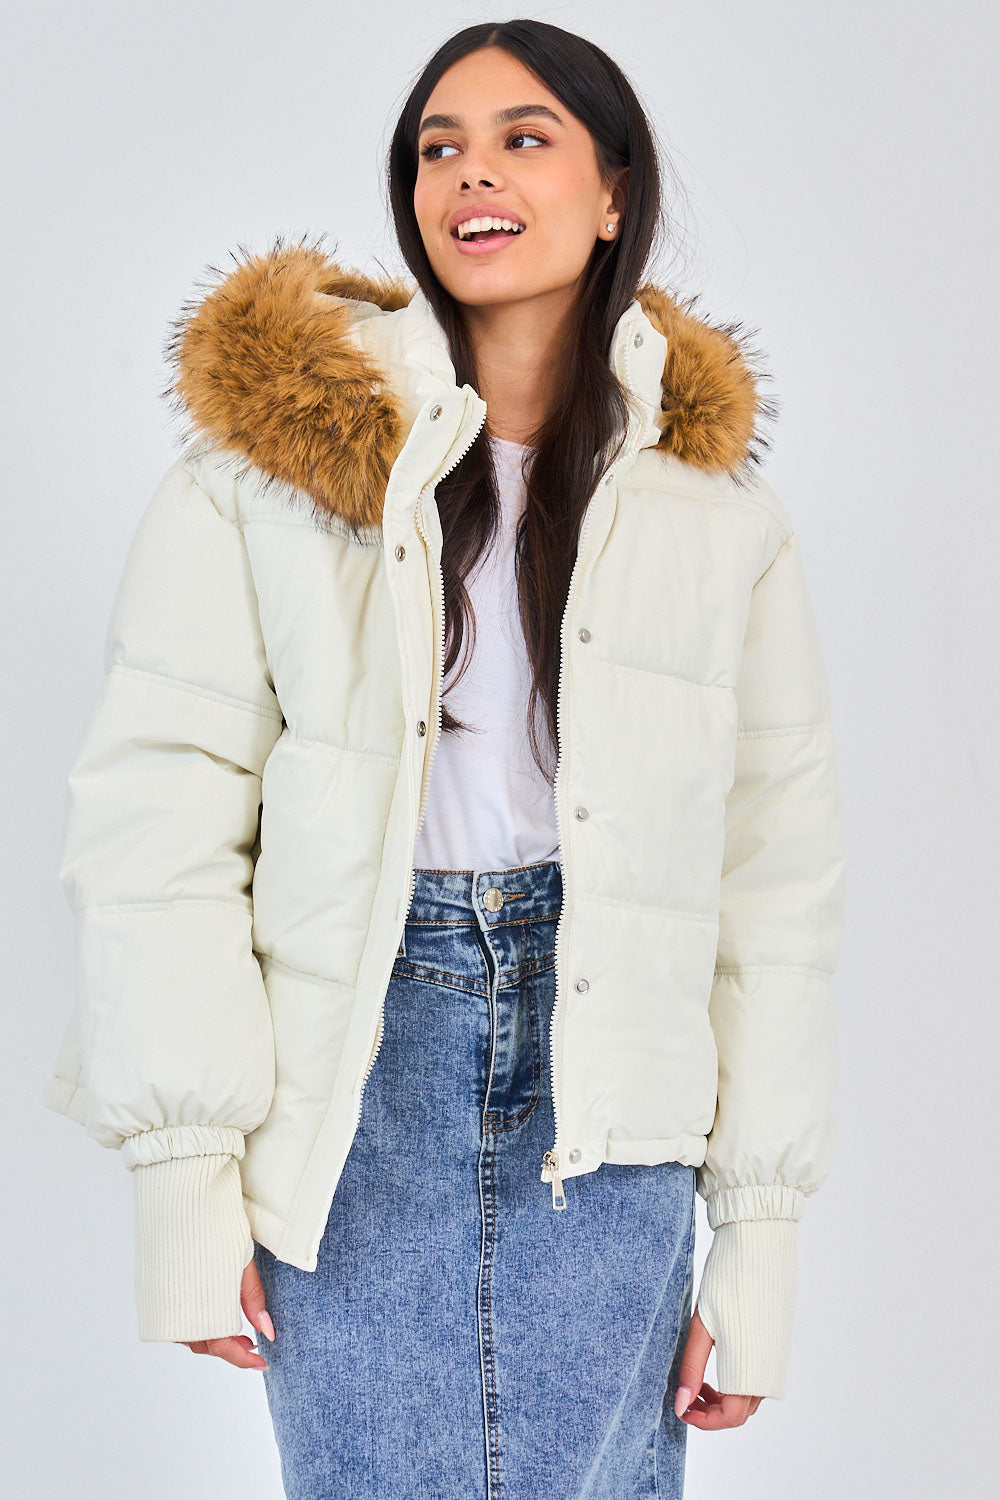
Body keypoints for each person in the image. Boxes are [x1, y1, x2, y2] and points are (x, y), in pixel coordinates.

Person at [41, 17, 847, 1499]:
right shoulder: (271, 476)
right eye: (439, 147)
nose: (472, 174)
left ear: (613, 191)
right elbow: (158, 819)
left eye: (524, 139)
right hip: (359, 1073)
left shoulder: (715, 515)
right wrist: (185, 1171)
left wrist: (760, 1239)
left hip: (616, 1097)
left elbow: (772, 886)